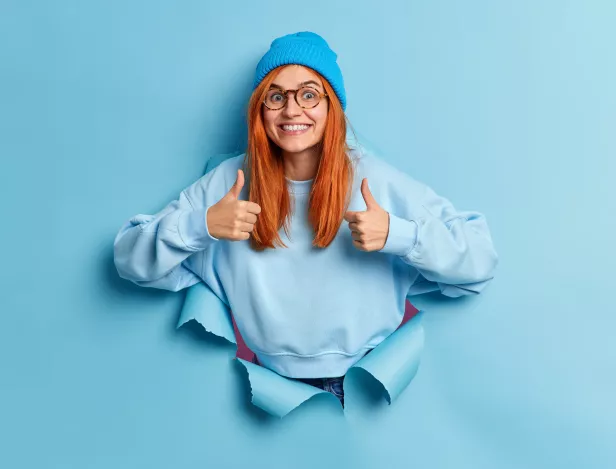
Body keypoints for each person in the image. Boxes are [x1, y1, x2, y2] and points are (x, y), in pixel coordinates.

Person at [113, 31, 499, 407]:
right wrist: (201, 226)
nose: (291, 110)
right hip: (256, 391)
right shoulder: (230, 182)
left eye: (309, 95)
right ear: (260, 110)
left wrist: (400, 235)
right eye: (276, 96)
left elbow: (480, 261)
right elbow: (129, 261)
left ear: (332, 106)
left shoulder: (376, 181)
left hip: (370, 386)